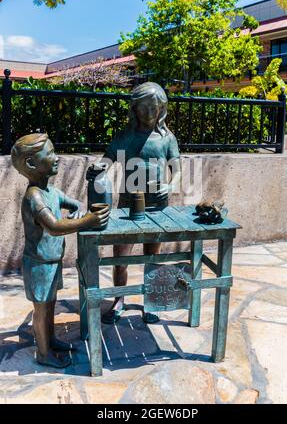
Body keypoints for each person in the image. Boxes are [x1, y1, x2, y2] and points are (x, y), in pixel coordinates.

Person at [11, 133, 110, 368]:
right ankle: (44, 353)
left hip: (51, 261)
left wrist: (78, 209)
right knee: (42, 310)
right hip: (39, 264)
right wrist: (88, 220)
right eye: (51, 153)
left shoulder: (50, 191)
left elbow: (71, 202)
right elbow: (54, 227)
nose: (57, 158)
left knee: (51, 304)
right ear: (31, 164)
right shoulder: (34, 196)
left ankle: (51, 339)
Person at [98, 82, 181, 324]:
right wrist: (98, 168)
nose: (147, 113)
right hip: (127, 206)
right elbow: (108, 158)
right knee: (120, 256)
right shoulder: (125, 136)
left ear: (161, 108)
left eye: (152, 108)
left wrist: (171, 185)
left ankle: (152, 300)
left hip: (157, 205)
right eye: (142, 108)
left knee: (152, 256)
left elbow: (176, 170)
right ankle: (119, 299)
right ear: (134, 109)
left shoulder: (167, 138)